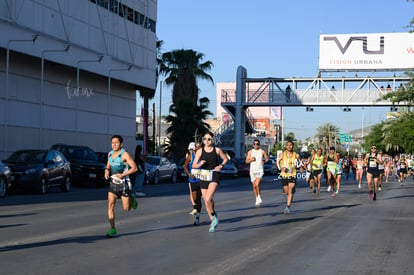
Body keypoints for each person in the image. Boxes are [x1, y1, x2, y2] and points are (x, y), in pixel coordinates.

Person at [191, 132, 228, 233]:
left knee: (208, 198)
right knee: (207, 202)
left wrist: (221, 166)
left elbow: (225, 159)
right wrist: (200, 164)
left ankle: (213, 217)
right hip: (204, 176)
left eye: (209, 139)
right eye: (205, 139)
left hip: (214, 175)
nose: (207, 141)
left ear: (213, 140)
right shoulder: (199, 151)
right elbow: (193, 165)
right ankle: (213, 219)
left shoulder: (217, 150)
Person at [105, 135, 138, 237]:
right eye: (112, 143)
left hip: (124, 184)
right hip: (113, 184)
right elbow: (108, 165)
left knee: (126, 209)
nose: (114, 144)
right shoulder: (110, 154)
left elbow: (135, 168)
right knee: (110, 205)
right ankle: (113, 228)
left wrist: (122, 175)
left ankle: (131, 199)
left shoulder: (125, 155)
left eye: (116, 143)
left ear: (121, 144)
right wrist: (106, 171)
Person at [278, 140, 302, 215]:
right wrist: (280, 168)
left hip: (292, 174)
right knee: (286, 191)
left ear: (293, 146)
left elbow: (300, 162)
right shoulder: (282, 154)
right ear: (286, 146)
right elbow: (277, 163)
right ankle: (291, 191)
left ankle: (287, 207)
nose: (289, 146)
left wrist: (301, 167)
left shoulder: (296, 155)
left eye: (291, 145)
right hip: (284, 175)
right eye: (288, 145)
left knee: (290, 190)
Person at [183, 142, 203, 225]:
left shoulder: (203, 157)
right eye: (197, 147)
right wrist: (189, 174)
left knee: (201, 198)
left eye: (199, 147)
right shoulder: (191, 156)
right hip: (193, 180)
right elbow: (185, 166)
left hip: (202, 180)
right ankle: (197, 210)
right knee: (195, 199)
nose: (198, 149)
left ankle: (197, 217)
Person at [245, 139, 269, 207]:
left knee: (257, 184)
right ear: (253, 145)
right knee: (254, 186)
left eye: (257, 144)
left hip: (259, 170)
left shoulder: (262, 151)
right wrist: (250, 160)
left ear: (259, 144)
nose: (256, 145)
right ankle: (257, 198)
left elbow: (267, 158)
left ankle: (259, 196)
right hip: (252, 170)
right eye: (255, 144)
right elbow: (246, 161)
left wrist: (264, 161)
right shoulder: (250, 152)